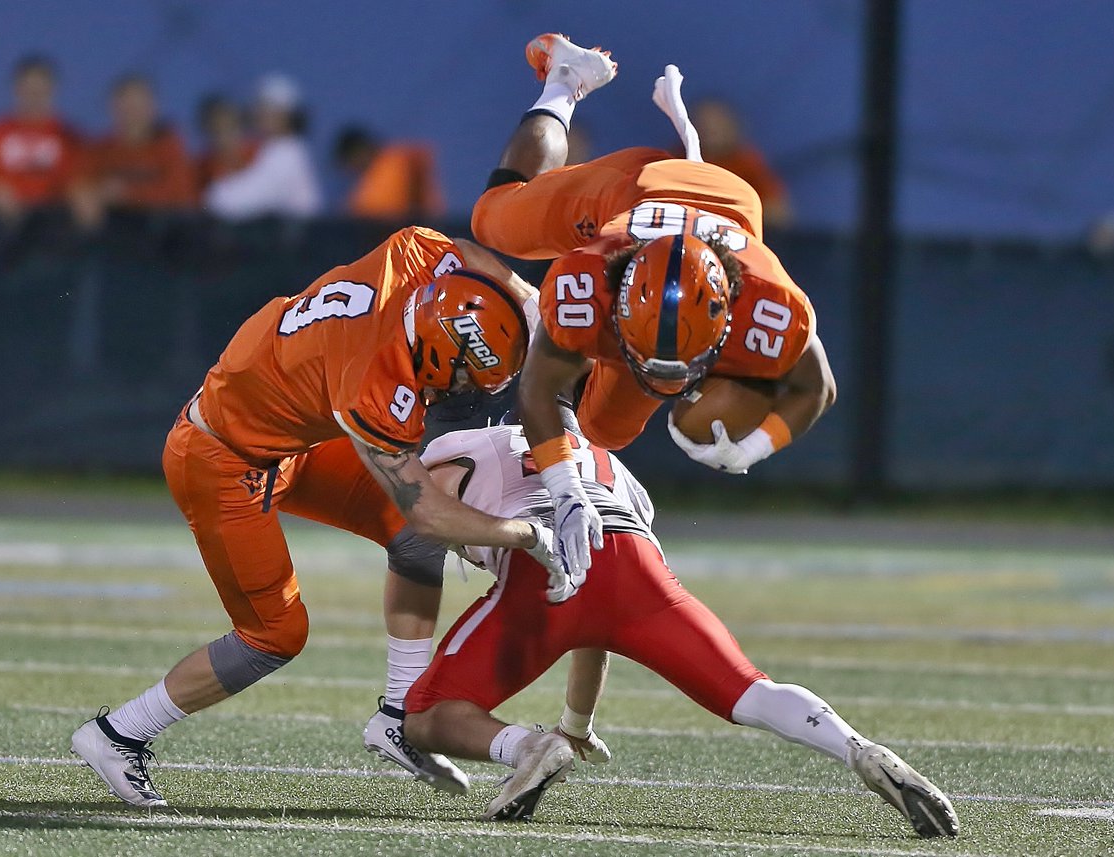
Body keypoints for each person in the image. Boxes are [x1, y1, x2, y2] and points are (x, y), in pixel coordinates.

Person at [70, 226, 567, 808]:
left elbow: (470, 255)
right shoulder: (370, 379)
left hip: (287, 437)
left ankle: (399, 717)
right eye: (461, 375)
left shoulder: (408, 265)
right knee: (275, 634)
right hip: (222, 461)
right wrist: (526, 534)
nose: (455, 390)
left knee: (409, 540)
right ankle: (116, 734)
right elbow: (430, 511)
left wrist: (533, 306)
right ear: (443, 346)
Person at [397, 405, 959, 837]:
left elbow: (429, 517)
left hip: (541, 564)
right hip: (637, 563)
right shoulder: (610, 465)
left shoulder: (456, 449)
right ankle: (857, 748)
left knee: (422, 716)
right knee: (750, 690)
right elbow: (597, 625)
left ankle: (523, 747)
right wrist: (575, 724)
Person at [470, 35, 834, 576]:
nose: (664, 376)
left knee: (605, 433)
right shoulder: (586, 279)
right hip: (632, 191)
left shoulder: (769, 301)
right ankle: (565, 81)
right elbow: (538, 386)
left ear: (727, 319)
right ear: (617, 304)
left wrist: (754, 447)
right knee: (493, 217)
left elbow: (817, 387)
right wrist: (566, 490)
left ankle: (592, 338)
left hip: (730, 201)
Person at [0, 55, 85, 225]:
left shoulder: (70, 135)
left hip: (53, 220)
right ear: (16, 89)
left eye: (41, 90)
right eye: (28, 89)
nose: (34, 96)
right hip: (0, 222)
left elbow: (81, 179)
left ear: (53, 90)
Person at [205, 74, 322, 219]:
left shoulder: (289, 154)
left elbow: (234, 202)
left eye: (266, 107)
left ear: (285, 114)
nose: (258, 112)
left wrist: (215, 193)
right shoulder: (273, 150)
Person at [82, 74, 197, 212]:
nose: (133, 111)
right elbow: (82, 182)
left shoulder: (170, 147)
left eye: (139, 103)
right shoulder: (100, 150)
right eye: (126, 103)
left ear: (153, 106)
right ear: (112, 106)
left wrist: (128, 194)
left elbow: (180, 194)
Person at [691, 98, 792, 228]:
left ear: (732, 127)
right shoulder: (678, 161)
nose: (710, 131)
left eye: (717, 125)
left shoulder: (747, 163)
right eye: (704, 125)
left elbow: (778, 213)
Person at [334, 125, 444, 221]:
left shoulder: (395, 163)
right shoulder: (372, 177)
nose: (351, 168)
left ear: (359, 151)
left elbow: (379, 211)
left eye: (351, 161)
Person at [194, 94, 258, 194]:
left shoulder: (261, 158)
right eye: (217, 131)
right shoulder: (201, 172)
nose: (224, 137)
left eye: (230, 128)